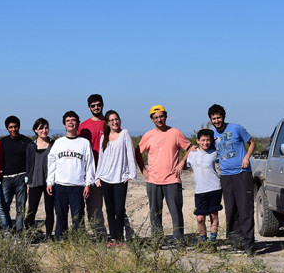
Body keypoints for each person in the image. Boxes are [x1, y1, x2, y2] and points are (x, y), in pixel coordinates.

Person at [136, 105, 190, 241]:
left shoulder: (175, 132)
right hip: (153, 179)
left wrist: (182, 162)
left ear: (166, 116)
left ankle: (179, 240)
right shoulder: (148, 135)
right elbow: (137, 152)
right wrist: (143, 170)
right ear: (152, 120)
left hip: (172, 179)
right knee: (155, 212)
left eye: (161, 116)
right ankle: (157, 239)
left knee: (176, 212)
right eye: (156, 118)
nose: (159, 119)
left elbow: (190, 147)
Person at [208, 104, 256, 253]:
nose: (216, 121)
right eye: (214, 119)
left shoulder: (236, 128)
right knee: (231, 210)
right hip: (226, 176)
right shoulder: (213, 135)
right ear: (211, 120)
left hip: (242, 174)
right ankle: (236, 244)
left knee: (245, 210)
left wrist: (247, 157)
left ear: (223, 117)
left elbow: (252, 143)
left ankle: (249, 246)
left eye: (218, 117)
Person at [47, 111, 96, 239]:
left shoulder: (84, 143)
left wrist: (88, 184)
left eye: (73, 120)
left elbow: (90, 164)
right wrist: (49, 182)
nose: (70, 123)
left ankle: (77, 240)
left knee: (78, 216)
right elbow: (51, 163)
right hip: (60, 185)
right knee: (61, 215)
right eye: (68, 120)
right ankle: (60, 240)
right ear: (64, 124)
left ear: (78, 123)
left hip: (78, 186)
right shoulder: (59, 142)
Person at [95, 110, 137, 246]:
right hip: (105, 178)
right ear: (107, 123)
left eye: (116, 119)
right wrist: (97, 177)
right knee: (109, 209)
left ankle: (120, 238)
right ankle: (113, 238)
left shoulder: (124, 133)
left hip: (120, 178)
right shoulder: (104, 137)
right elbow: (101, 159)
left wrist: (132, 174)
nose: (114, 122)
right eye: (111, 120)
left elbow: (130, 153)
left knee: (119, 209)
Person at [185, 129, 223, 243]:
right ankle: (203, 240)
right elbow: (183, 164)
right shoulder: (192, 154)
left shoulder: (215, 153)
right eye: (203, 140)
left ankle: (212, 241)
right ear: (197, 141)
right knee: (200, 218)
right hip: (200, 190)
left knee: (213, 215)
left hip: (215, 187)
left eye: (208, 140)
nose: (205, 143)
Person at [78, 93, 107, 238]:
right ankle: (100, 236)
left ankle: (120, 235)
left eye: (98, 104)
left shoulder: (110, 123)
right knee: (94, 207)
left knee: (115, 206)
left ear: (102, 104)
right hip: (90, 170)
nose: (96, 107)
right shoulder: (83, 126)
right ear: (89, 108)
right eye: (93, 105)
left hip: (108, 171)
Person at [0, 115, 31, 232]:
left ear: (19, 127)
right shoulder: (3, 142)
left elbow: (31, 161)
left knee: (20, 207)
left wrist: (29, 179)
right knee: (5, 206)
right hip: (6, 178)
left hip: (22, 177)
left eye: (15, 126)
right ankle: (7, 230)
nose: (13, 129)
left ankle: (19, 231)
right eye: (11, 127)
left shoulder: (26, 141)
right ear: (7, 128)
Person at [25, 117, 54, 240]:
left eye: (46, 127)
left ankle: (48, 236)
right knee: (32, 209)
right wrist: (27, 182)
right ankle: (30, 235)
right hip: (34, 181)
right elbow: (28, 164)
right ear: (35, 130)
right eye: (41, 128)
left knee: (49, 209)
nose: (44, 130)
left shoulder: (53, 144)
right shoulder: (31, 146)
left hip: (49, 182)